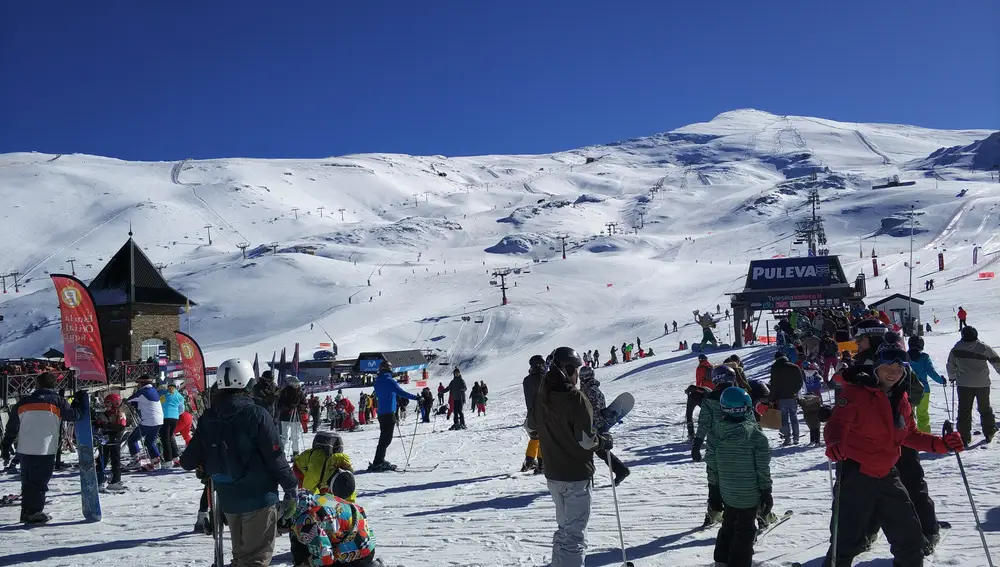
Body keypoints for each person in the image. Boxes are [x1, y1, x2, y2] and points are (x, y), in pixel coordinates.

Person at [823, 347, 964, 567]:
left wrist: (942, 444)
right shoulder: (857, 392)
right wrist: (834, 442)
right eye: (888, 367)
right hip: (856, 476)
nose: (893, 373)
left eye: (899, 369)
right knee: (844, 543)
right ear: (876, 368)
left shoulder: (901, 398)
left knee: (911, 543)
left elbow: (909, 435)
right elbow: (837, 423)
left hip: (889, 476)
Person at [180, 358, 298, 567]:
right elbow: (275, 456)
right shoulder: (256, 414)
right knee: (255, 559)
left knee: (242, 557)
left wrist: (206, 464)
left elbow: (188, 460)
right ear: (247, 383)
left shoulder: (209, 416)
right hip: (259, 498)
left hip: (228, 500)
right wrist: (290, 485)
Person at [536, 347, 613, 567]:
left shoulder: (542, 395)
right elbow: (587, 441)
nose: (577, 375)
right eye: (575, 369)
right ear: (567, 369)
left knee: (565, 529)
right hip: (575, 475)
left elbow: (531, 427)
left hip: (553, 475)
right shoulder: (576, 398)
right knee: (574, 536)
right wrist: (603, 441)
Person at [0, 372, 85, 524]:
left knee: (27, 481)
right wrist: (79, 403)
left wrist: (6, 445)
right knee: (39, 483)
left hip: (25, 448)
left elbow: (11, 427)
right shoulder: (58, 401)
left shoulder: (23, 402)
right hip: (45, 448)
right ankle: (35, 513)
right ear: (54, 385)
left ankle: (26, 512)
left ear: (37, 384)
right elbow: (74, 415)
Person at [707, 387, 772, 567]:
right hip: (749, 494)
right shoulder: (756, 436)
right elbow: (762, 469)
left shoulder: (714, 434)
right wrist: (766, 491)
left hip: (727, 491)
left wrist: (714, 491)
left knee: (728, 523)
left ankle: (721, 559)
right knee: (745, 530)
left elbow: (712, 467)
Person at [288, 471, 380, 567]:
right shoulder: (313, 500)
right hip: (364, 540)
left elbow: (326, 557)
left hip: (358, 550)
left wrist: (308, 564)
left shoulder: (306, 522)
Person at [692, 365, 740, 527]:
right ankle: (756, 511)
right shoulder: (741, 395)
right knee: (742, 477)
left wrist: (697, 443)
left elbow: (704, 423)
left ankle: (715, 510)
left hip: (716, 447)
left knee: (715, 479)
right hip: (738, 446)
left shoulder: (710, 399)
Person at [946, 326, 1000, 445]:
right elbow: (996, 361)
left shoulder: (956, 349)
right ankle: (989, 431)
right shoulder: (983, 347)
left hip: (964, 384)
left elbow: (950, 365)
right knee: (985, 408)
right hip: (982, 383)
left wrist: (952, 377)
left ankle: (964, 437)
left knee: (964, 410)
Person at [578, 366, 629, 486]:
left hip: (594, 425)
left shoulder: (592, 390)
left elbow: (595, 409)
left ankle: (588, 478)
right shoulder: (588, 389)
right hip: (592, 424)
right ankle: (621, 470)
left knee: (588, 449)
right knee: (600, 451)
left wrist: (592, 424)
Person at [369, 361, 420, 472]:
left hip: (381, 413)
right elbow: (401, 392)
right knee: (386, 439)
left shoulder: (377, 382)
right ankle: (378, 462)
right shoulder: (390, 381)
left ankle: (379, 460)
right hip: (389, 413)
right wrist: (416, 398)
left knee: (383, 438)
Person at [293, 431, 354, 497]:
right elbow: (308, 487)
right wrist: (305, 499)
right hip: (300, 469)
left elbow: (348, 492)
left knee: (326, 495)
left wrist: (351, 506)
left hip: (324, 472)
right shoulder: (316, 468)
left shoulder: (347, 473)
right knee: (309, 496)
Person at [907, 336, 946, 433]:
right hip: (923, 389)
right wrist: (941, 380)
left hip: (907, 389)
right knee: (922, 414)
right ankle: (925, 436)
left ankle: (908, 435)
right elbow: (931, 372)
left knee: (907, 413)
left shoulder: (904, 356)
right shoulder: (924, 357)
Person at [127, 374, 165, 469]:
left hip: (149, 421)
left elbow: (129, 400)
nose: (137, 385)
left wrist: (125, 402)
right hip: (159, 420)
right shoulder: (153, 390)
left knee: (132, 439)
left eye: (139, 383)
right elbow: (143, 402)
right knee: (149, 441)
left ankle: (137, 460)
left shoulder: (142, 392)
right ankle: (156, 461)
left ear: (143, 383)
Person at [769, 353, 804, 445]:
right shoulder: (795, 367)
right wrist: (795, 392)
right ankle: (796, 438)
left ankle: (787, 439)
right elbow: (800, 382)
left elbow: (773, 385)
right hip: (792, 396)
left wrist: (772, 398)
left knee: (784, 419)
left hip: (781, 398)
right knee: (794, 417)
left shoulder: (775, 368)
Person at [95, 392, 127, 493]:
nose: (106, 406)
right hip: (104, 440)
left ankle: (115, 481)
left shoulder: (120, 414)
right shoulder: (103, 414)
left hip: (115, 441)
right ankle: (98, 481)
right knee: (101, 460)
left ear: (114, 404)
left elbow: (121, 426)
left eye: (108, 404)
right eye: (105, 404)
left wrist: (106, 426)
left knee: (115, 461)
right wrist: (99, 424)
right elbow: (97, 424)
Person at [522, 355, 546, 474]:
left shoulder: (527, 380)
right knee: (543, 438)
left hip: (531, 414)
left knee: (534, 438)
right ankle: (541, 465)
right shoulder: (544, 378)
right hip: (543, 414)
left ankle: (528, 462)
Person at [686, 354, 715, 439]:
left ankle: (691, 434)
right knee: (708, 414)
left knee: (689, 413)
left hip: (700, 392)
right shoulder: (711, 367)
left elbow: (698, 382)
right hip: (709, 393)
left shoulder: (700, 368)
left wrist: (696, 389)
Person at [278, 376, 307, 458]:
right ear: (291, 383)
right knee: (284, 436)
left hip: (296, 417)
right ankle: (281, 452)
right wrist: (289, 408)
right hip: (285, 417)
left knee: (295, 436)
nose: (297, 385)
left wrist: (299, 407)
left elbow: (304, 403)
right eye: (296, 383)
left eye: (298, 383)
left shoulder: (300, 392)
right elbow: (279, 404)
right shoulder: (284, 392)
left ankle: (296, 452)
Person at [159, 382, 185, 467]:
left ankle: (168, 461)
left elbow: (159, 404)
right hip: (174, 418)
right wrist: (176, 414)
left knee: (165, 440)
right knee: (170, 437)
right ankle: (175, 457)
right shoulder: (179, 396)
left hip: (165, 417)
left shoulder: (163, 393)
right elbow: (182, 409)